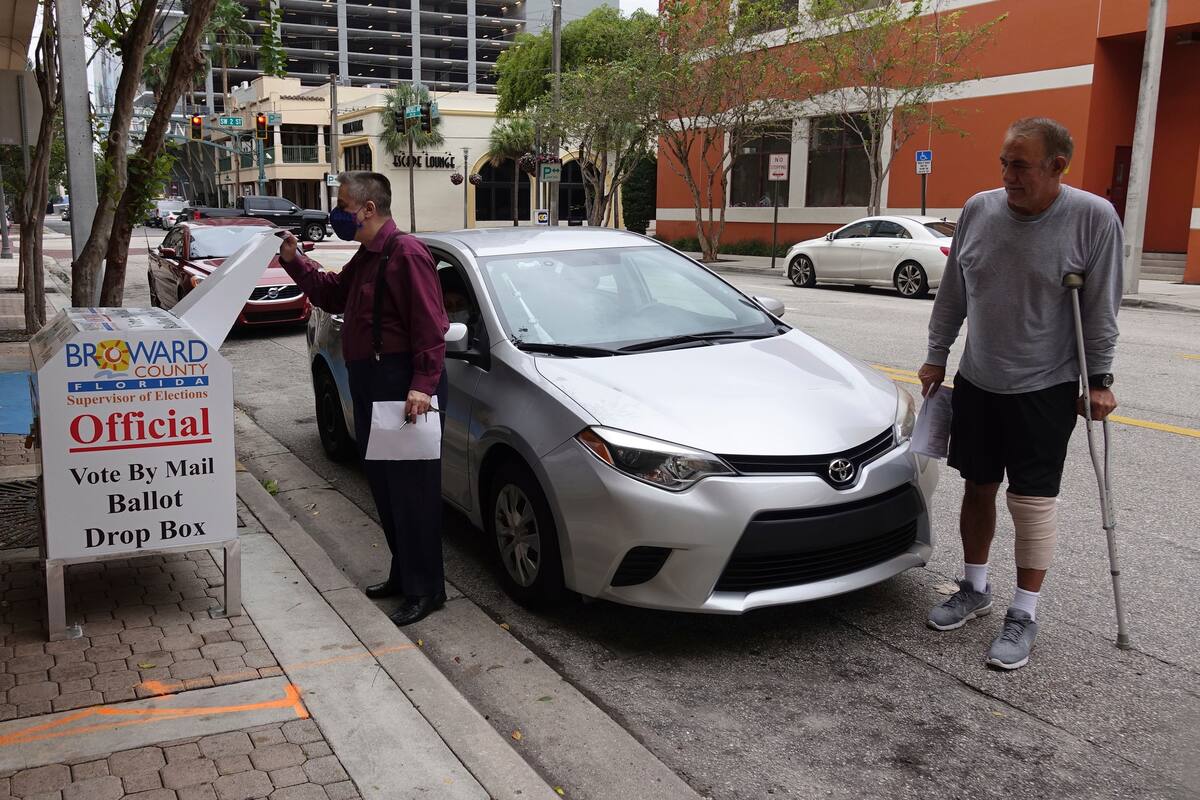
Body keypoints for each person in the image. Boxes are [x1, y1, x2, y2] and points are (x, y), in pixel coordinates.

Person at [918, 117, 1121, 670]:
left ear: (1058, 166)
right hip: (979, 379)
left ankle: (1025, 612)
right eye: (1004, 162)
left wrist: (1099, 380)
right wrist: (938, 354)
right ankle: (974, 587)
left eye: (1021, 165)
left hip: (1045, 385)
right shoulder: (979, 210)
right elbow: (953, 293)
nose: (1008, 175)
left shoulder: (1092, 219)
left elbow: (1100, 308)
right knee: (977, 486)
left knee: (1030, 503)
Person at [277, 171, 450, 626]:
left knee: (413, 494)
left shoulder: (406, 253)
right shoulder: (368, 255)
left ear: (368, 209)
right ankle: (404, 572)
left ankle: (426, 590)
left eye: (344, 205)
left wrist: (422, 386)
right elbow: (333, 292)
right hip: (373, 383)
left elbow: (432, 327)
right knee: (386, 490)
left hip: (402, 387)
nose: (338, 213)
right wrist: (296, 262)